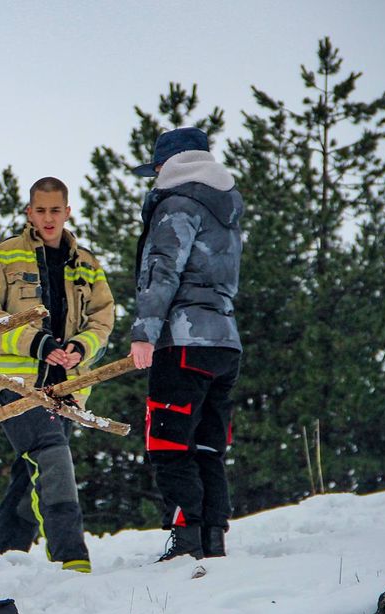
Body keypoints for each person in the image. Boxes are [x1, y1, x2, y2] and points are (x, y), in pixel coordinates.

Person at [0, 177, 114, 575]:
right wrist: (36, 343)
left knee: (31, 472)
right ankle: (72, 556)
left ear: (68, 212)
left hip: (69, 389)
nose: (48, 218)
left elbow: (103, 319)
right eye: (41, 210)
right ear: (29, 213)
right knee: (53, 458)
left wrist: (80, 347)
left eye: (55, 210)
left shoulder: (88, 264)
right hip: (18, 386)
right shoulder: (5, 256)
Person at [129, 127, 244, 561]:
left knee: (169, 442)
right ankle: (213, 539)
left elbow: (162, 271)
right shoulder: (225, 208)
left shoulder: (177, 204)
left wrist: (144, 333)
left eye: (156, 168)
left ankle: (186, 541)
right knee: (209, 446)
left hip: (182, 340)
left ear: (167, 165)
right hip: (225, 343)